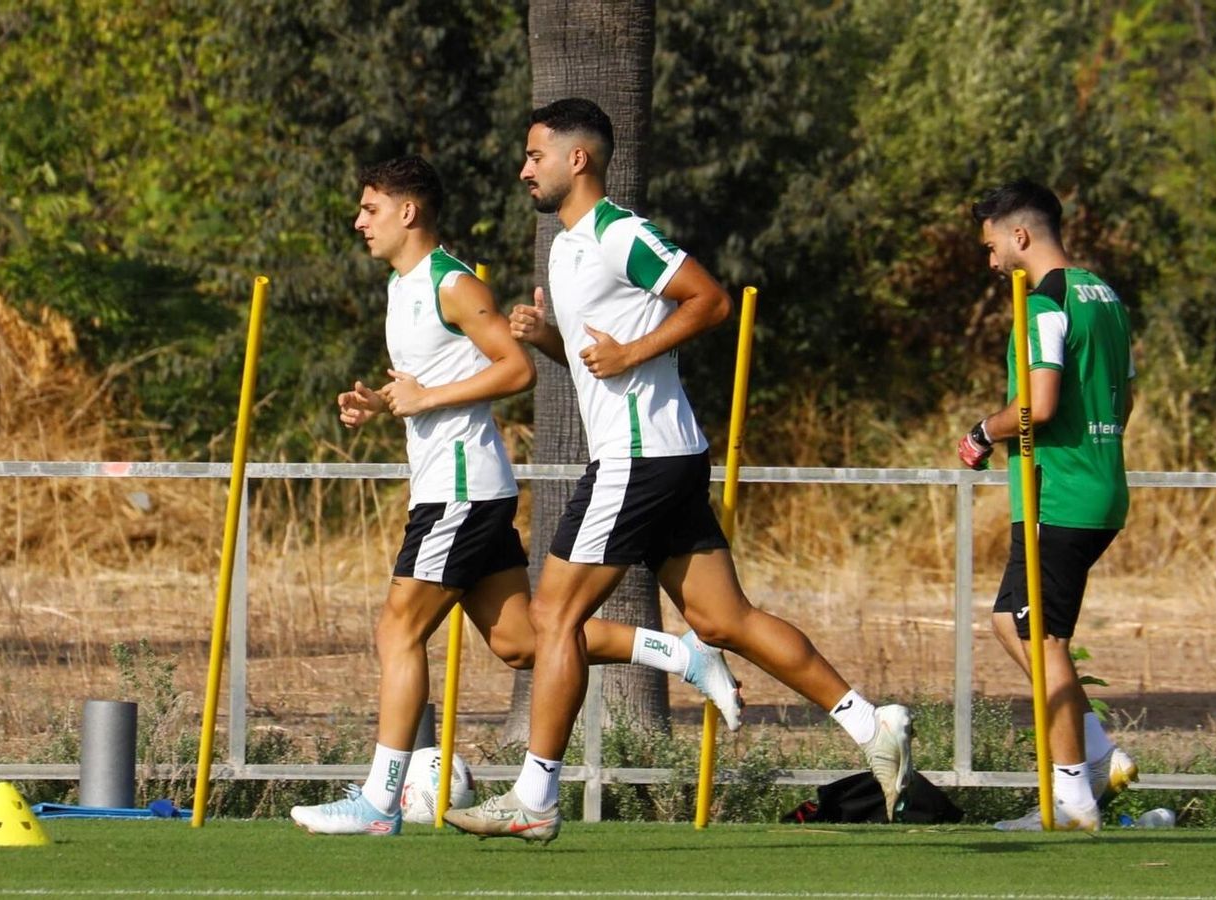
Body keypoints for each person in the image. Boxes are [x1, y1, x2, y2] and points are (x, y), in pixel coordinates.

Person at [443, 99, 913, 844]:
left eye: (536, 155)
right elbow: (605, 360)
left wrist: (631, 354)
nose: (523, 168)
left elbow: (710, 299)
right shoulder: (565, 248)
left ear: (579, 160)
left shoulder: (617, 232)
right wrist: (552, 342)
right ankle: (871, 723)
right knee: (723, 620)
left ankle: (535, 795)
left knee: (553, 618)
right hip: (661, 454)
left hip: (640, 459)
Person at [289, 155, 742, 836]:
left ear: (408, 212)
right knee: (524, 644)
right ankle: (678, 653)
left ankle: (379, 803)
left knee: (397, 627)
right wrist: (383, 403)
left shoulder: (453, 282)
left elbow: (516, 368)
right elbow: (435, 383)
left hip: (460, 492)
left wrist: (425, 397)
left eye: (369, 208)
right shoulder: (400, 286)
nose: (359, 222)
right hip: (459, 489)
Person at [956, 178, 1139, 831]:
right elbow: (1125, 395)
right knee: (1011, 622)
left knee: (1042, 636)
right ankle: (1094, 756)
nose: (991, 261)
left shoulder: (1045, 302)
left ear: (1020, 235)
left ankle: (1072, 796)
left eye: (991, 246)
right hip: (1101, 485)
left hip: (1057, 491)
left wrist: (982, 432)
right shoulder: (1105, 296)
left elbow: (1039, 402)